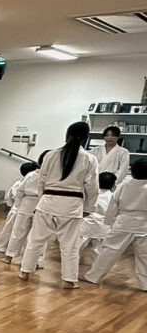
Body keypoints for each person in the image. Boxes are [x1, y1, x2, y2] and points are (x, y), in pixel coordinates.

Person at [19, 122, 99, 289]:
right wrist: (88, 208)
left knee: (35, 240)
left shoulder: (51, 155)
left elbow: (41, 180)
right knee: (70, 246)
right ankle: (69, 280)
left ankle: (25, 271)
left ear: (67, 135)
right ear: (86, 138)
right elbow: (92, 187)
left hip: (48, 201)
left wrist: (42, 199)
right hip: (72, 206)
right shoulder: (89, 159)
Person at [81, 159, 147, 290]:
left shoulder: (125, 185)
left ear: (133, 172)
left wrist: (109, 222)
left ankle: (93, 276)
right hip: (144, 224)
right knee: (145, 256)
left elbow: (113, 204)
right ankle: (145, 284)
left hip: (123, 222)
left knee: (109, 251)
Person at [0, 162, 39, 253]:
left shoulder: (18, 183)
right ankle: (20, 251)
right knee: (22, 231)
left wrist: (11, 205)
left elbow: (9, 195)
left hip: (15, 208)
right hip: (24, 208)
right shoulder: (36, 181)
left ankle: (2, 247)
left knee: (9, 229)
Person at [78, 171, 117, 263]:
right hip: (102, 227)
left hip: (86, 225)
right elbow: (113, 214)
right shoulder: (112, 197)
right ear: (113, 185)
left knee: (77, 248)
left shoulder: (90, 194)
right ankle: (96, 267)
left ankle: (73, 264)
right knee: (98, 250)